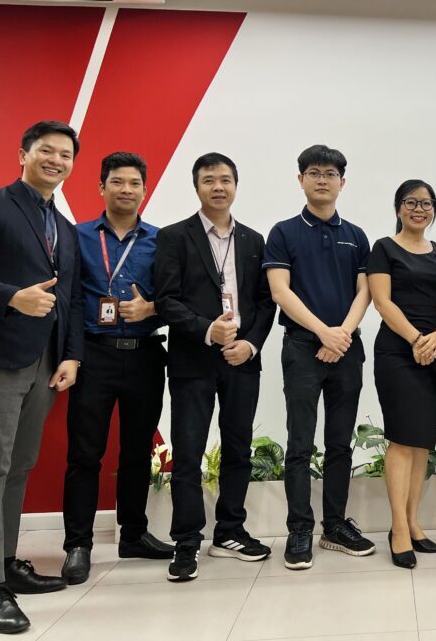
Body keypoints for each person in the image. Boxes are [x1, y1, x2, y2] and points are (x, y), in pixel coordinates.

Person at [0, 121, 84, 633]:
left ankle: (6, 562)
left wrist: (71, 356)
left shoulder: (65, 228)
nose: (56, 160)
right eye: (46, 151)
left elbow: (70, 298)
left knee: (18, 466)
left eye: (65, 154)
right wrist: (10, 296)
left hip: (46, 362)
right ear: (22, 154)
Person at [154, 152, 275, 582]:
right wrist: (208, 330)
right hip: (193, 359)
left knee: (238, 449)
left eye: (225, 179)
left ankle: (230, 531)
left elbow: (265, 302)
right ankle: (186, 541)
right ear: (197, 187)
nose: (218, 187)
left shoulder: (254, 240)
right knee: (188, 453)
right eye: (209, 180)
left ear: (236, 186)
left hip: (241, 360)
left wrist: (251, 344)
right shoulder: (174, 237)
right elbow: (166, 300)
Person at [61, 152, 173, 586]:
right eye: (117, 182)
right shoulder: (77, 237)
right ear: (101, 187)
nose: (126, 189)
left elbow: (178, 298)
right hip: (94, 355)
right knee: (84, 454)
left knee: (136, 451)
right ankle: (78, 545)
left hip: (145, 355)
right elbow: (69, 301)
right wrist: (72, 355)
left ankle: (134, 534)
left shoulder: (162, 240)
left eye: (134, 183)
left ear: (144, 190)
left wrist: (153, 308)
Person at [263, 145, 375, 570]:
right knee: (300, 442)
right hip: (302, 349)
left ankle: (335, 525)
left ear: (342, 182)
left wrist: (341, 334)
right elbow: (280, 291)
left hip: (346, 348)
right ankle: (299, 528)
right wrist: (323, 332)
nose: (322, 179)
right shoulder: (284, 232)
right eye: (314, 172)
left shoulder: (357, 236)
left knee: (340, 443)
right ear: (301, 180)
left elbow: (365, 291)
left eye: (330, 173)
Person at [367, 180, 436, 569]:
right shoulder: (384, 248)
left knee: (422, 442)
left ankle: (414, 521)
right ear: (398, 207)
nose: (419, 209)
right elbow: (382, 302)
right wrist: (417, 339)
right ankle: (398, 529)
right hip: (397, 353)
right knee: (402, 440)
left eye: (426, 203)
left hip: (434, 351)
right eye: (411, 202)